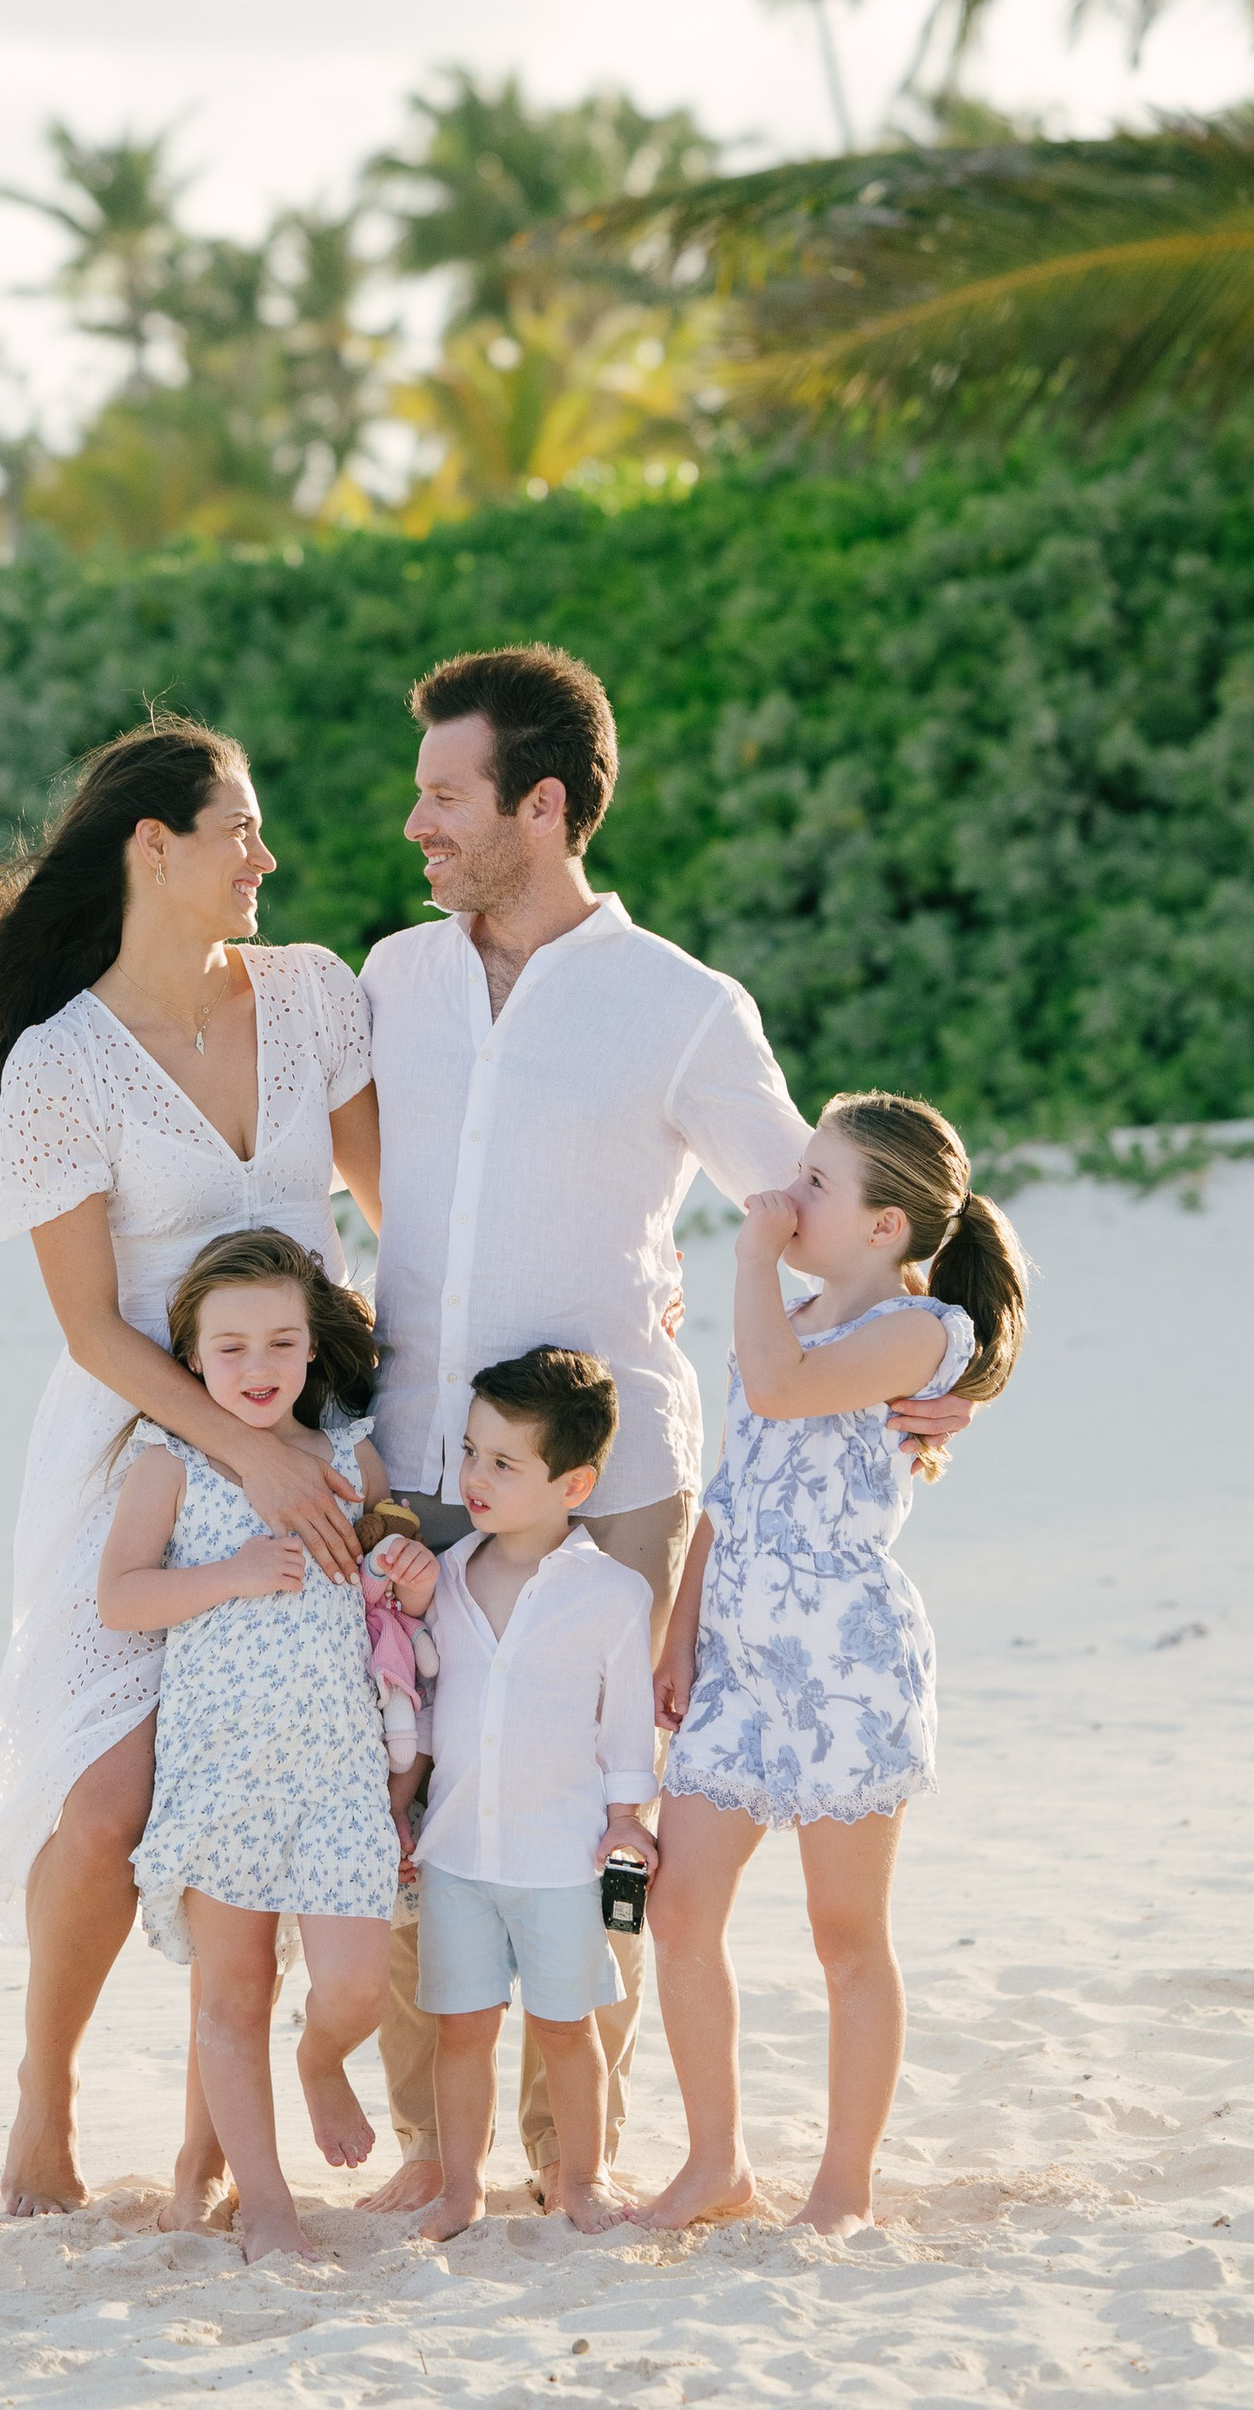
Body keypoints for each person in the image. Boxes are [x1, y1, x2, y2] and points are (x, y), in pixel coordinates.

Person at [357, 643, 975, 2215]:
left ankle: (581, 2160)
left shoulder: (683, 1007)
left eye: (447, 796)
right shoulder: (393, 979)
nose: (416, 825)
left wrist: (968, 1360)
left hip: (615, 1486)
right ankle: (440, 2155)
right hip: (425, 1463)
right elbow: (395, 1176)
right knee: (419, 1805)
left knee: (588, 1821)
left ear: (543, 805)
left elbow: (831, 1214)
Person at [0, 718, 384, 2219]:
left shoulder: (313, 996)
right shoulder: (64, 1066)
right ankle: (41, 2101)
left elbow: (396, 1206)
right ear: (152, 846)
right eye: (239, 827)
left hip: (314, 1428)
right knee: (109, 1802)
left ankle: (210, 2146)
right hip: (142, 1447)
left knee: (269, 1773)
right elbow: (92, 1331)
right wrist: (243, 1443)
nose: (266, 854)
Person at [637, 1092, 1029, 2237]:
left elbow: (779, 1389)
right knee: (679, 1909)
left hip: (842, 1661)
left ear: (885, 1229)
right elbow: (728, 1490)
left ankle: (842, 2183)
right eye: (794, 1172)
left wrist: (749, 1256)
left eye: (816, 1181)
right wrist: (679, 1635)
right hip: (736, 1657)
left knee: (842, 1931)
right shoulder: (793, 1308)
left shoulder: (917, 1336)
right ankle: (717, 2160)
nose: (785, 1195)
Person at [99, 1228, 439, 2263]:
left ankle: (322, 2062)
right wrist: (230, 1574)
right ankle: (269, 2205)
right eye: (231, 1347)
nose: (257, 1368)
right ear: (192, 1357)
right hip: (222, 1773)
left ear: (310, 1349)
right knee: (231, 1991)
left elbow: (386, 1576)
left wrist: (405, 1573)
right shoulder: (170, 1464)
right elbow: (119, 1597)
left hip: (338, 1775)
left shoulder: (348, 1454)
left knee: (346, 1982)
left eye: (280, 1343)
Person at [407, 1350, 658, 2245]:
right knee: (462, 2028)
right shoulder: (447, 1579)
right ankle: (460, 2187)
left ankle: (581, 2177)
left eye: (504, 1463)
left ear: (574, 1481)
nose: (474, 1476)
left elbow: (628, 1721)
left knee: (565, 2027)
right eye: (471, 1451)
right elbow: (427, 1711)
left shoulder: (612, 1594)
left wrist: (630, 1815)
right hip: (459, 1857)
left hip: (560, 1859)